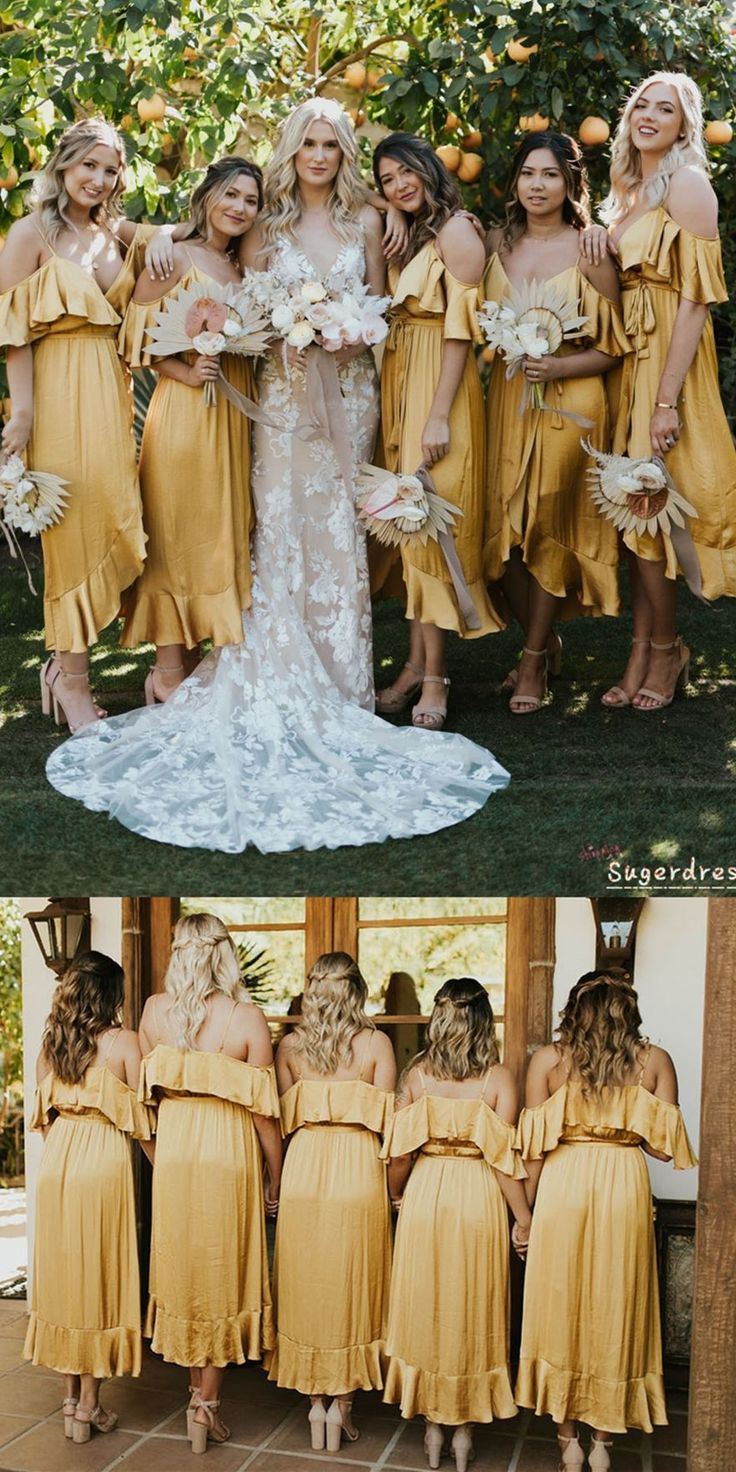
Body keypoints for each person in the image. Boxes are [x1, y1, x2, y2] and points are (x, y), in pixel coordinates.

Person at [46, 100, 510, 853]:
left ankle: (342, 688)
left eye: (332, 144)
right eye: (309, 143)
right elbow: (234, 290)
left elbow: (383, 308)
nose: (320, 155)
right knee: (277, 532)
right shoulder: (265, 223)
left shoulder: (369, 220)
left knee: (337, 539)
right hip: (281, 401)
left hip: (350, 397)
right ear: (292, 149)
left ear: (344, 151)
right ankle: (263, 670)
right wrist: (174, 242)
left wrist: (346, 328)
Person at [581, 71, 736, 709]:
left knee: (663, 498)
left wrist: (667, 400)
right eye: (641, 104)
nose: (648, 115)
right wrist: (597, 259)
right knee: (635, 507)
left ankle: (667, 649)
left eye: (664, 109)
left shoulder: (690, 184)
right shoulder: (626, 192)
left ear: (683, 125)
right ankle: (644, 649)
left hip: (672, 359)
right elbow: (618, 298)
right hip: (631, 359)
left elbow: (698, 300)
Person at [0, 117, 154, 732]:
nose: (98, 177)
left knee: (113, 513)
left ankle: (66, 669)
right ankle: (71, 678)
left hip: (110, 390)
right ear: (63, 164)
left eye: (111, 168)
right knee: (71, 536)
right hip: (56, 391)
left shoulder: (110, 234)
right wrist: (25, 412)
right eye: (89, 164)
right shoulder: (29, 232)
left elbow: (179, 236)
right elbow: (12, 332)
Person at [515, 971, 697, 1470]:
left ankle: (567, 1438)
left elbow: (533, 1151)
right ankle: (603, 1443)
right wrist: (628, 1124)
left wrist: (525, 1217)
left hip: (563, 1182)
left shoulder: (549, 1061)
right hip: (623, 1184)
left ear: (575, 1010)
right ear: (628, 1011)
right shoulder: (654, 1061)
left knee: (561, 1300)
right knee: (616, 1302)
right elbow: (662, 1150)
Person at [483, 132, 628, 713]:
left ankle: (534, 660)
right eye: (527, 174)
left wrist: (561, 362)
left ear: (571, 183)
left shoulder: (589, 249)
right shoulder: (494, 243)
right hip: (508, 401)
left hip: (572, 402)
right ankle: (542, 640)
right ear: (514, 183)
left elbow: (615, 347)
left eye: (549, 175)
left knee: (547, 520)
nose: (537, 185)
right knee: (504, 531)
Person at [119, 157, 263, 701]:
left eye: (250, 201)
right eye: (230, 195)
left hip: (234, 415)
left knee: (221, 529)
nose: (239, 208)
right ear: (207, 196)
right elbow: (135, 342)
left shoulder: (243, 269)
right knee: (176, 532)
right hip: (184, 412)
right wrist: (185, 368)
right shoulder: (172, 256)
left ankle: (206, 658)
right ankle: (167, 668)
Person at [137, 912, 282, 1453]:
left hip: (176, 1151)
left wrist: (162, 1157)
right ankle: (207, 1408)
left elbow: (139, 1107)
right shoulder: (247, 1018)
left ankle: (194, 1397)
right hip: (228, 1152)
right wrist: (276, 1176)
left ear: (179, 953)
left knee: (185, 1270)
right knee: (221, 1271)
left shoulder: (154, 1012)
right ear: (224, 954)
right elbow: (267, 1115)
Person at [372, 132, 500, 731]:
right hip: (401, 374)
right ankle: (414, 666)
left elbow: (460, 332)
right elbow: (347, 193)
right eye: (386, 180)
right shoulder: (413, 231)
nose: (398, 185)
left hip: (438, 382)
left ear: (429, 167)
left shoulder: (456, 231)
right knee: (407, 522)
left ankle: (436, 679)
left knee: (430, 519)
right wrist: (393, 209)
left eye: (405, 173)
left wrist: (439, 412)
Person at [381, 979, 530, 1471]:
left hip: (427, 1191)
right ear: (484, 1021)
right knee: (472, 1303)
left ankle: (431, 1430)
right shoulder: (499, 1080)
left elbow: (400, 1155)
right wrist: (524, 1218)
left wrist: (397, 1193)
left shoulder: (418, 1077)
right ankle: (464, 1430)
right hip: (478, 1195)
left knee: (427, 1301)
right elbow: (506, 1162)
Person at [267, 952, 396, 1451]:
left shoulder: (290, 1048)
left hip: (304, 1166)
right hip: (358, 1167)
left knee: (306, 1279)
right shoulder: (376, 1044)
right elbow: (389, 1126)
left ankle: (314, 1402)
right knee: (352, 1280)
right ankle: (341, 1405)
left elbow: (280, 1120)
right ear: (357, 991)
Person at [23, 951, 152, 1442]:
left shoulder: (49, 1048)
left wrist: (65, 1154)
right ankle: (91, 1406)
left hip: (59, 1162)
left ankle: (69, 1400)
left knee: (65, 1278)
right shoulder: (124, 1043)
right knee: (98, 1276)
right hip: (102, 1163)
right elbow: (143, 1122)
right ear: (111, 995)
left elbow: (45, 1122)